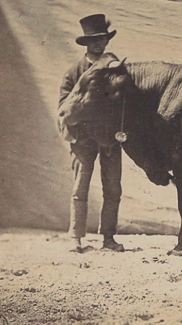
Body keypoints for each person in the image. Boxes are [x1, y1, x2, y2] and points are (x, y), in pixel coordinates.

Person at [59, 14, 125, 253]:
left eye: (103, 39)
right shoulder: (73, 73)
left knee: (113, 188)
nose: (99, 43)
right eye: (94, 39)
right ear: (86, 42)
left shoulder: (117, 69)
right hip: (83, 138)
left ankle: (108, 238)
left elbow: (125, 103)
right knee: (80, 188)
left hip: (109, 138)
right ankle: (75, 238)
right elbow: (64, 108)